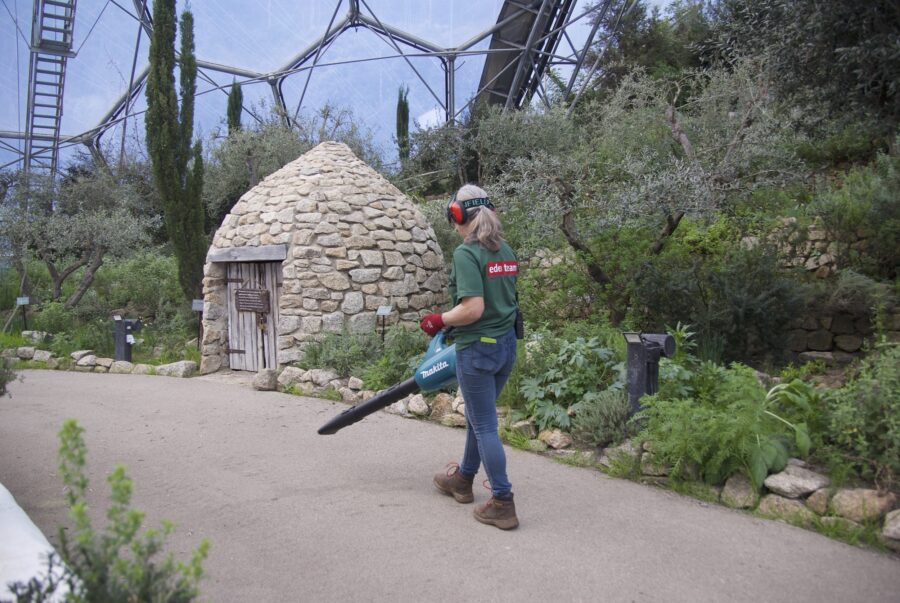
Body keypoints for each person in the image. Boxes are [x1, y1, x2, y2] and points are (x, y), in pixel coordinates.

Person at [420, 184, 520, 530]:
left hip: (477, 349)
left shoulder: (467, 254)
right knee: (480, 420)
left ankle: (503, 502)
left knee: (485, 425)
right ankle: (463, 480)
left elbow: (473, 308)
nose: (453, 224)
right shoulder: (505, 250)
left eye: (453, 217)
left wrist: (440, 320)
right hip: (506, 346)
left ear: (461, 215)